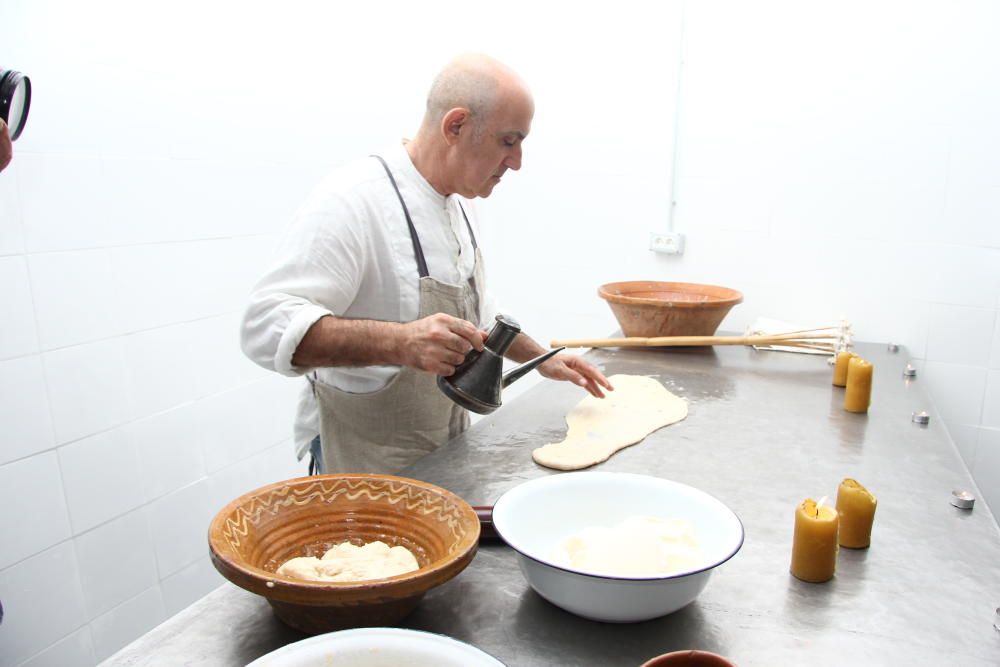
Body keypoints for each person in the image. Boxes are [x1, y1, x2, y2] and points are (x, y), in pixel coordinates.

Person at [241, 53, 612, 475]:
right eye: (508, 141)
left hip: (442, 452)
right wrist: (400, 342)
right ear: (456, 126)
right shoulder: (353, 201)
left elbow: (475, 316)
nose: (517, 161)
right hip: (364, 463)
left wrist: (540, 357)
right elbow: (263, 328)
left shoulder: (461, 202)